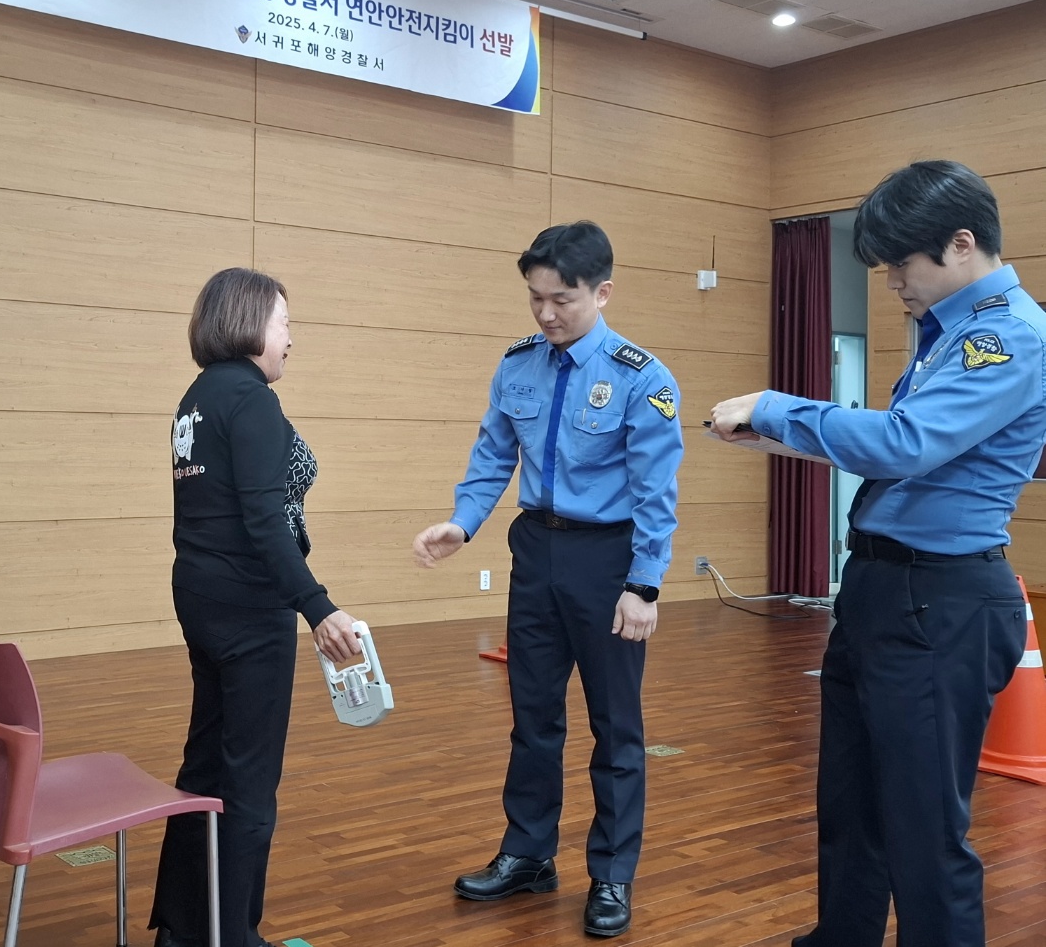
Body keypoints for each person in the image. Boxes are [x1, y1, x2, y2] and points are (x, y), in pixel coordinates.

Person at [709, 160, 1040, 947]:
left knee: (924, 827)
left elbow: (907, 442)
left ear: (962, 244)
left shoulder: (1006, 336)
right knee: (851, 800)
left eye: (902, 264)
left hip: (940, 598)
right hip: (883, 586)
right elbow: (911, 455)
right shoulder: (947, 331)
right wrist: (784, 437)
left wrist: (778, 407)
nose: (894, 283)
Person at [412, 222, 683, 938]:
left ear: (602, 293)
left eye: (561, 299)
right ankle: (528, 852)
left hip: (609, 560)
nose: (545, 313)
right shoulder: (518, 365)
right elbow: (493, 453)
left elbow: (656, 492)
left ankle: (613, 873)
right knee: (532, 715)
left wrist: (645, 584)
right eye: (535, 298)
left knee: (615, 725)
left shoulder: (641, 377)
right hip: (536, 551)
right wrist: (462, 522)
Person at [149, 268, 362, 947]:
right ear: (249, 324)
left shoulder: (195, 399)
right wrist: (318, 607)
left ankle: (182, 929)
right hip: (248, 609)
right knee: (249, 782)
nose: (291, 339)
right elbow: (266, 521)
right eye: (284, 323)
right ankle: (235, 935)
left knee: (204, 765)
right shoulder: (251, 400)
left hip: (201, 597)